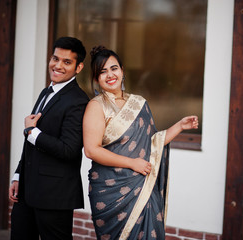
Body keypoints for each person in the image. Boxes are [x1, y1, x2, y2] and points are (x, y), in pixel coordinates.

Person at [83, 46, 199, 240]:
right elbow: (91, 150)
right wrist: (132, 163)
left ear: (122, 71)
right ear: (96, 79)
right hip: (111, 193)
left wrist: (179, 126)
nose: (110, 75)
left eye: (114, 68)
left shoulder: (139, 102)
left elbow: (154, 143)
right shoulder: (96, 106)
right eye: (102, 72)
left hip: (143, 186)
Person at [9, 36, 89, 240]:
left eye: (67, 62)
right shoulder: (47, 91)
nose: (58, 65)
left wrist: (32, 132)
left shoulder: (79, 101)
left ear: (78, 67)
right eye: (55, 58)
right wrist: (19, 174)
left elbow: (69, 150)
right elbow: (32, 139)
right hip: (27, 190)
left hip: (55, 196)